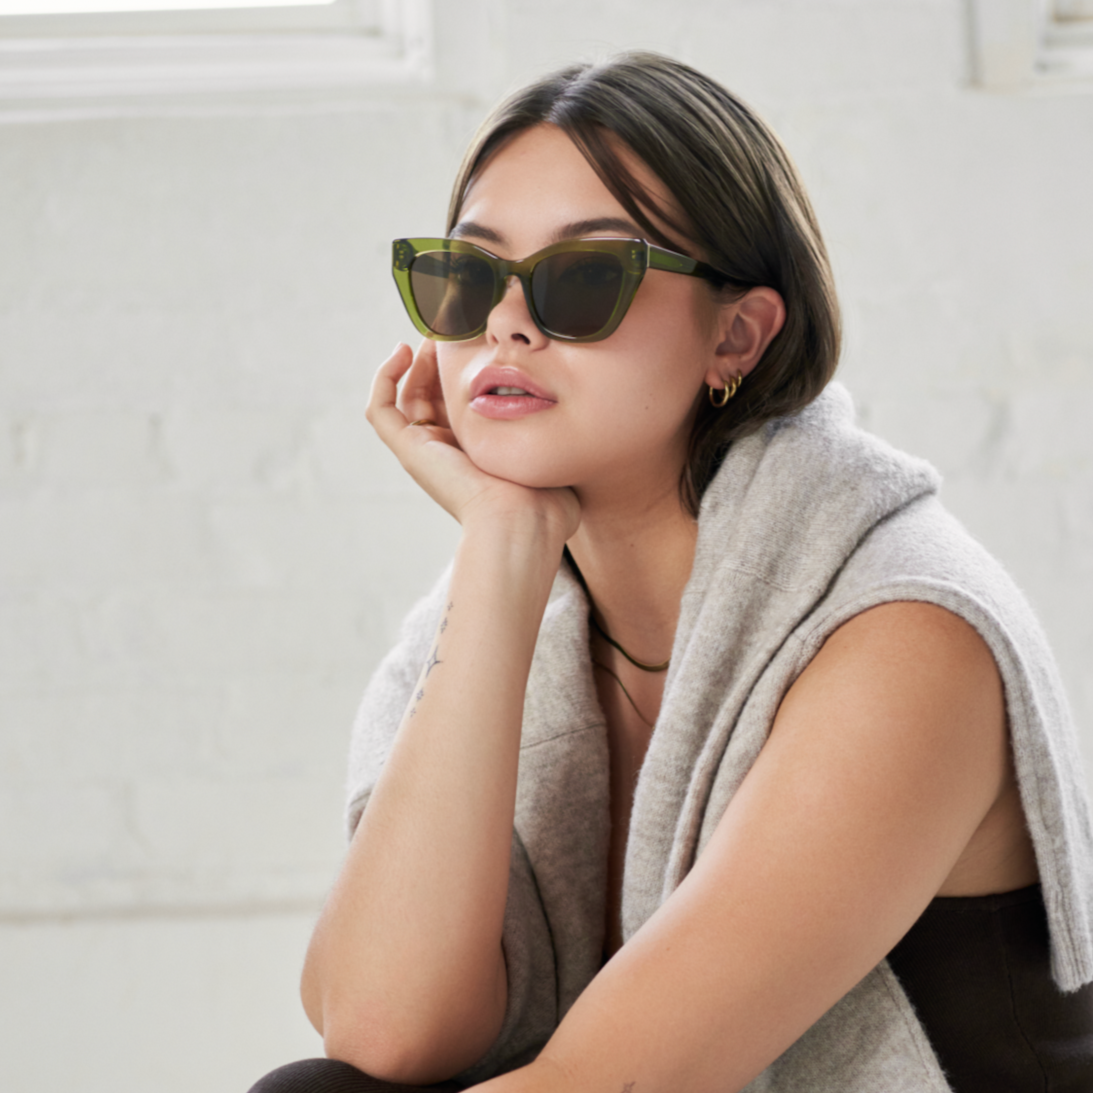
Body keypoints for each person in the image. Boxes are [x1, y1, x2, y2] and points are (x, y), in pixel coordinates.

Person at [250, 52, 1093, 1093]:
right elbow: (386, 1029)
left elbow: (608, 1083)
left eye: (584, 278)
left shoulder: (907, 632)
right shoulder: (487, 606)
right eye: (466, 278)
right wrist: (501, 548)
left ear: (734, 335)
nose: (505, 324)